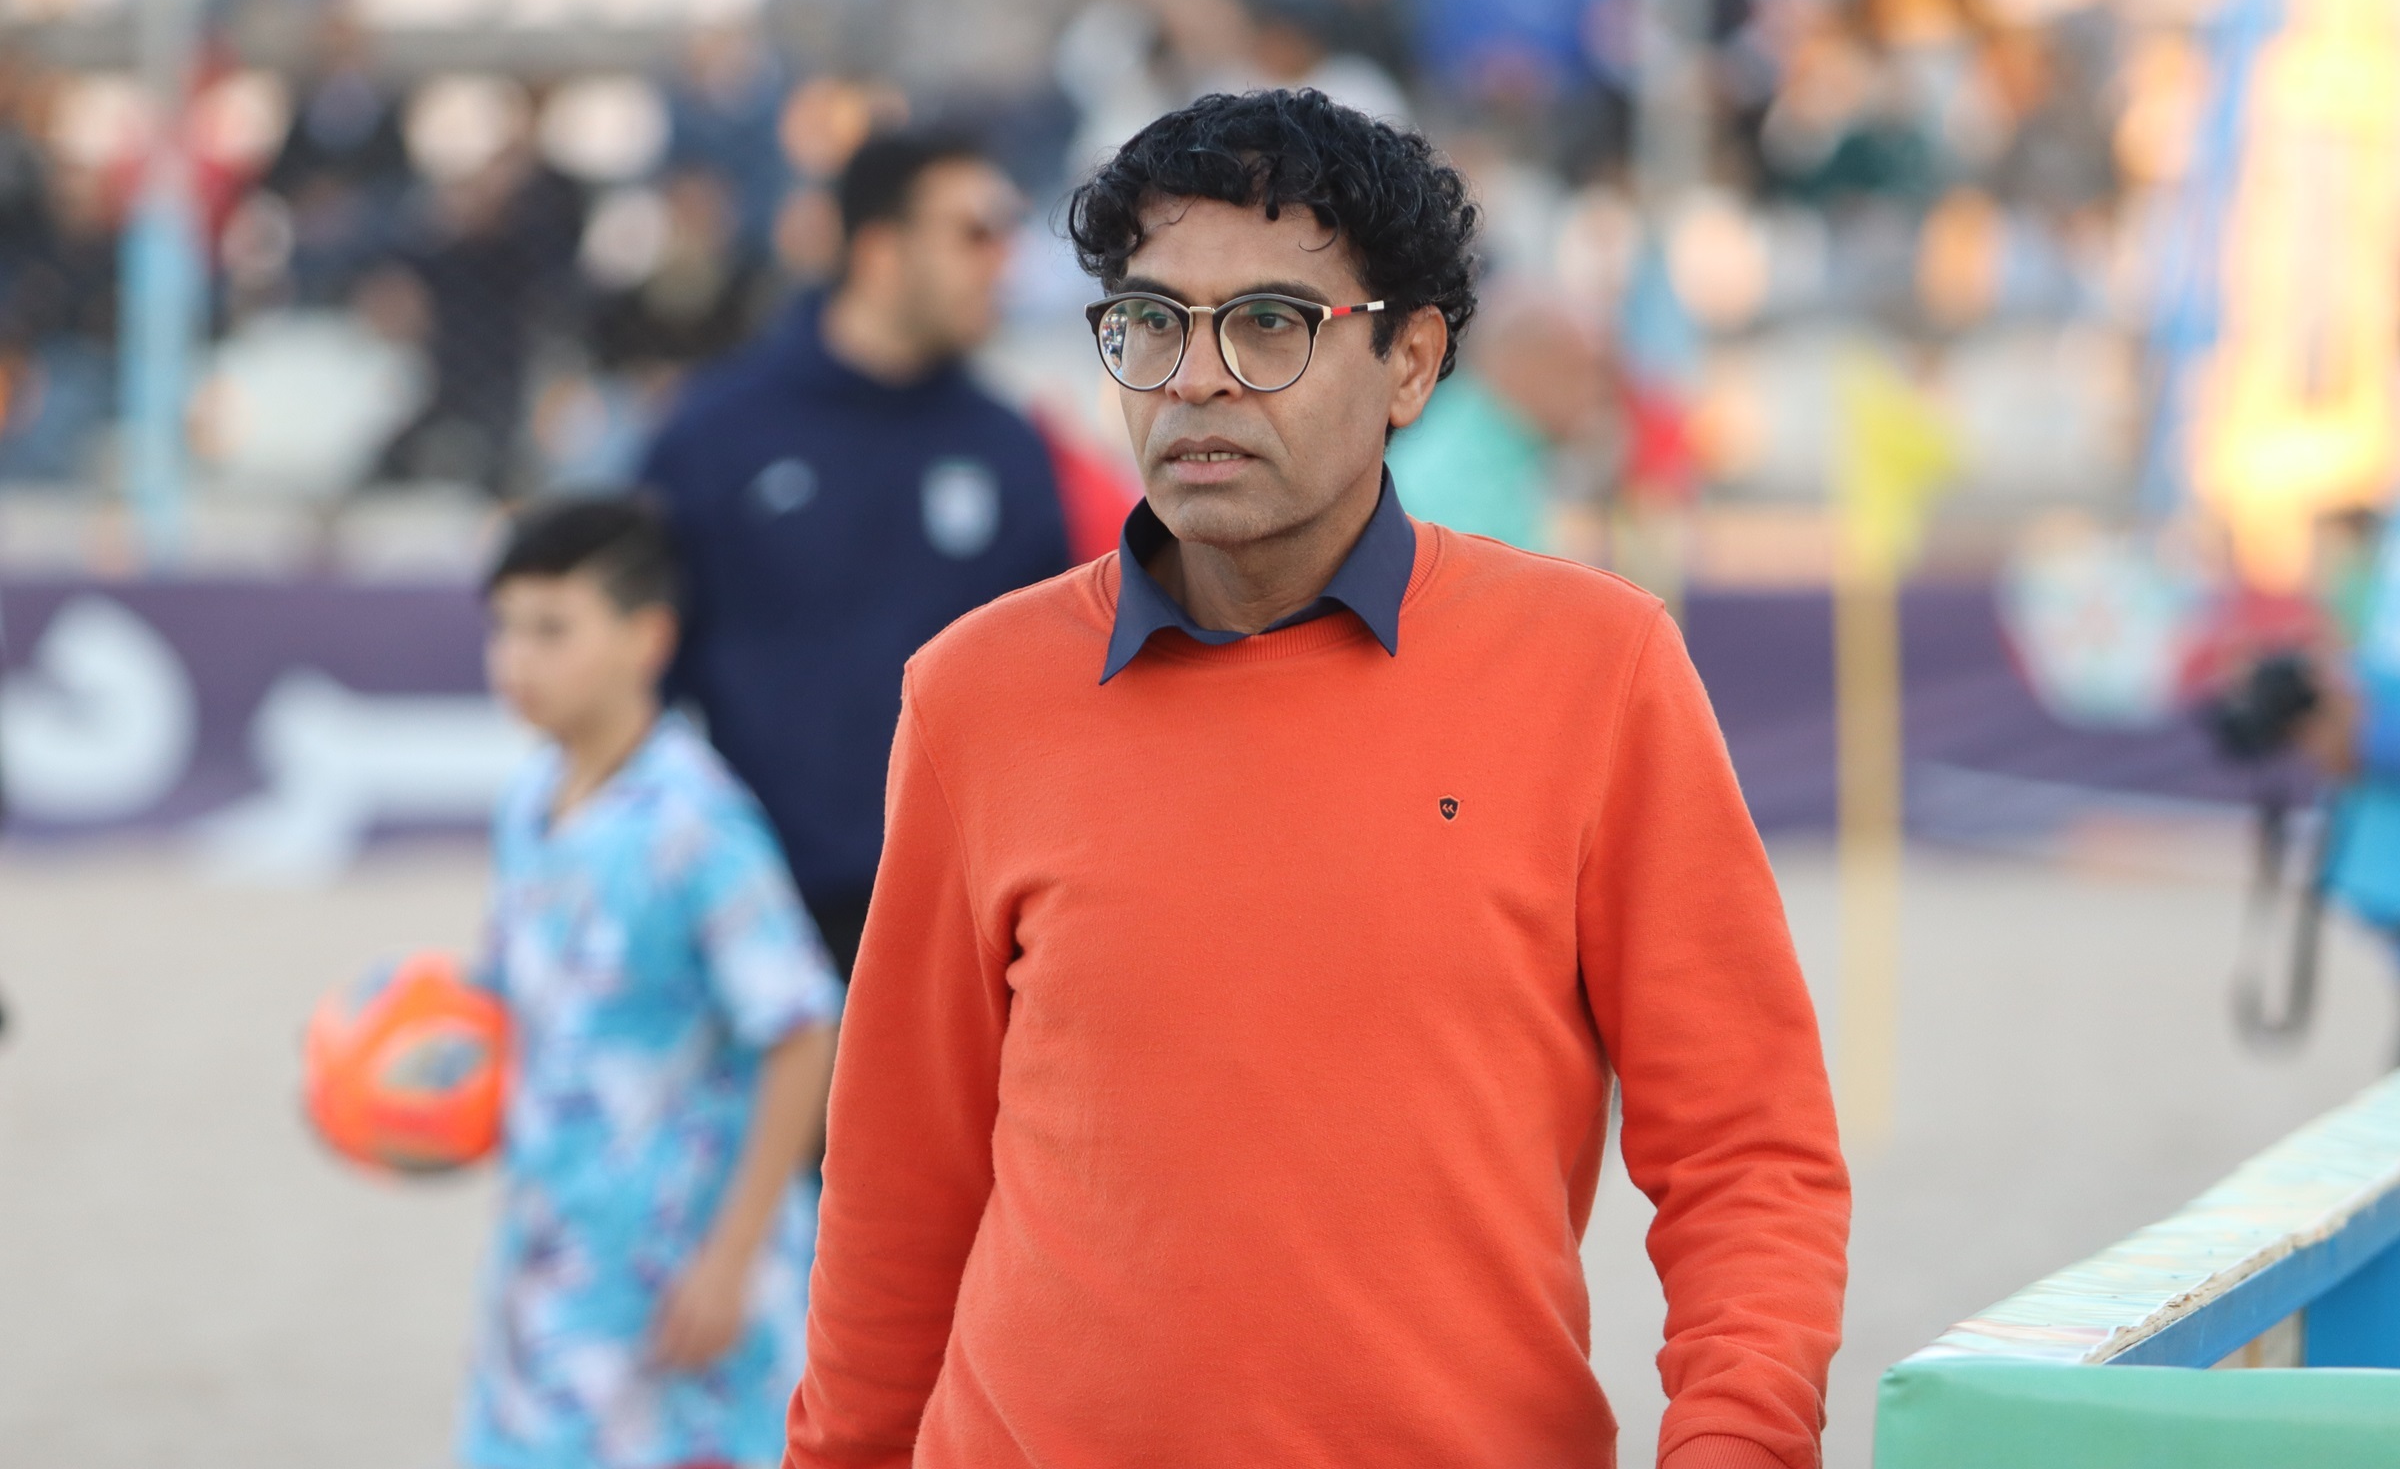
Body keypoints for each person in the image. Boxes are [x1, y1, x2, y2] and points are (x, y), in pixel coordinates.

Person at [788, 89, 1850, 1469]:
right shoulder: (974, 695)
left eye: (1271, 324)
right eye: (1151, 323)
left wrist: (1737, 1440)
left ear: (1411, 362)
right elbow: (896, 1191)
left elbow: (1746, 1151)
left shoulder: (1599, 668)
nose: (1196, 378)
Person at [463, 496, 844, 1469]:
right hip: (553, 1264)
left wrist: (732, 1259)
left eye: (553, 629)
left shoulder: (694, 823)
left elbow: (803, 1026)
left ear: (648, 637)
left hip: (684, 1284)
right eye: (506, 627)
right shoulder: (526, 801)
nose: (517, 659)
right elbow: (505, 1011)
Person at [641, 132, 1069, 978]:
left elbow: (1052, 687)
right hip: (762, 923)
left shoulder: (1009, 447)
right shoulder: (713, 437)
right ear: (880, 251)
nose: (1002, 263)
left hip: (962, 923)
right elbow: (643, 675)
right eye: (974, 234)